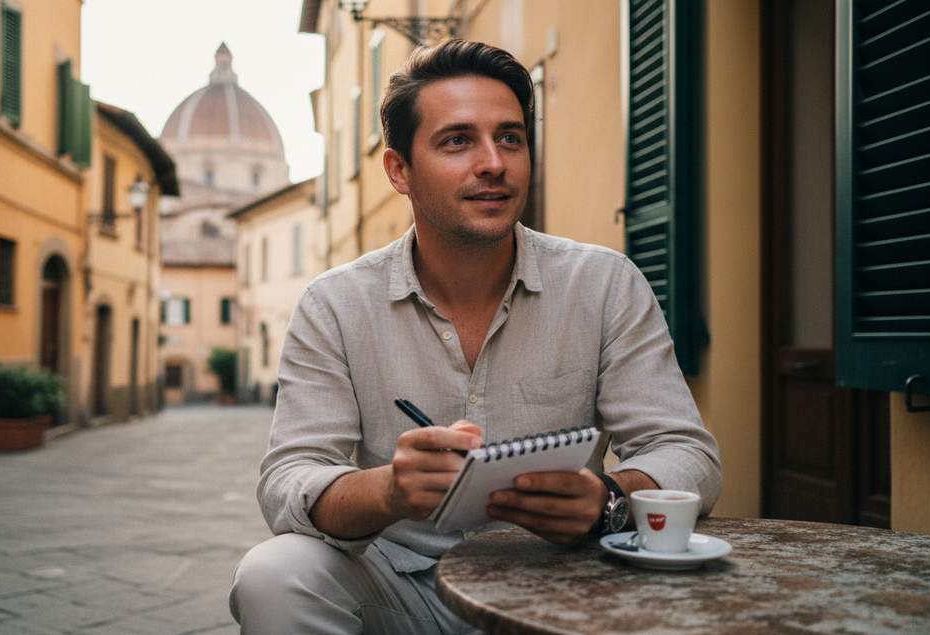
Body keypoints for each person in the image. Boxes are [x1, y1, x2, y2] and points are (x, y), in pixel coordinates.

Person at [229, 39, 722, 634]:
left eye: (510, 137)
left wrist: (608, 498)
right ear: (399, 170)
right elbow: (290, 480)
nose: (493, 162)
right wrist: (388, 491)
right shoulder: (335, 304)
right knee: (272, 575)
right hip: (400, 587)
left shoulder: (603, 283)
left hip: (566, 587)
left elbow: (688, 452)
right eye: (458, 140)